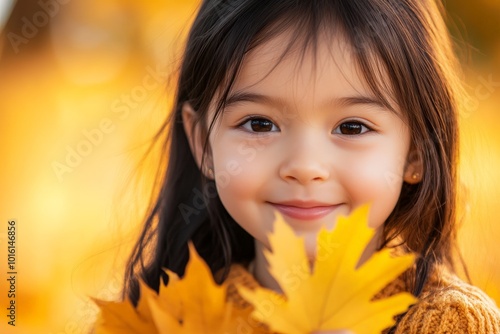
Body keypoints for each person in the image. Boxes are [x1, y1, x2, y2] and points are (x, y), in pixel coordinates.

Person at [123, 0, 500, 332]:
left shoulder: (451, 322)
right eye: (259, 124)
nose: (304, 167)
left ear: (417, 152)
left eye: (352, 127)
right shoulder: (161, 320)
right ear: (204, 143)